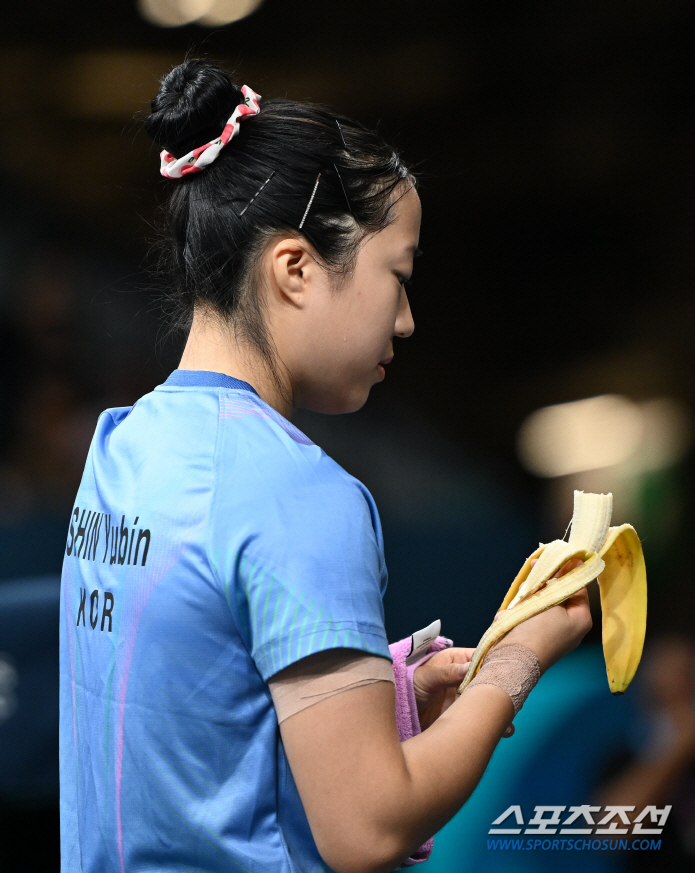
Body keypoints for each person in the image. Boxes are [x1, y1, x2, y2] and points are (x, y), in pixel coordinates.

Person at [58, 59, 592, 873]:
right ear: (296, 269)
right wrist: (516, 661)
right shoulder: (300, 493)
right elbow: (368, 829)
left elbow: (183, 726)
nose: (407, 321)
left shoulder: (121, 447)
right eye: (398, 277)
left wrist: (383, 706)